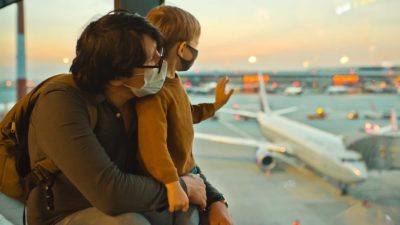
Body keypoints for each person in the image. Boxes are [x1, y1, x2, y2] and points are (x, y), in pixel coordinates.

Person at [27, 10, 229, 225]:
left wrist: (216, 201)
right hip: (65, 213)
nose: (162, 62)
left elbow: (178, 156)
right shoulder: (61, 103)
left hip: (127, 201)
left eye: (159, 52)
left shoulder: (139, 95)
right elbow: (110, 192)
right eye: (152, 58)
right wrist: (182, 187)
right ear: (116, 76)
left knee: (187, 215)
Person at [133, 5, 234, 225]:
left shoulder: (174, 81)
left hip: (187, 174)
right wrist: (173, 184)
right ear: (182, 49)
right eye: (195, 46)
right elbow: (153, 146)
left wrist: (214, 105)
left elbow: (186, 115)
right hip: (170, 182)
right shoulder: (156, 91)